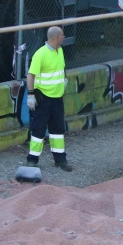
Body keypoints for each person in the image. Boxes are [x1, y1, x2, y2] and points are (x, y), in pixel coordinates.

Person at [25, 26, 72, 171]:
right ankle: (32, 159)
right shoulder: (40, 54)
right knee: (38, 128)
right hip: (43, 98)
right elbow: (30, 75)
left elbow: (62, 68)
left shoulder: (60, 51)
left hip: (57, 98)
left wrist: (64, 79)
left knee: (58, 129)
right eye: (63, 35)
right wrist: (31, 94)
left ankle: (60, 159)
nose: (64, 37)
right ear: (57, 37)